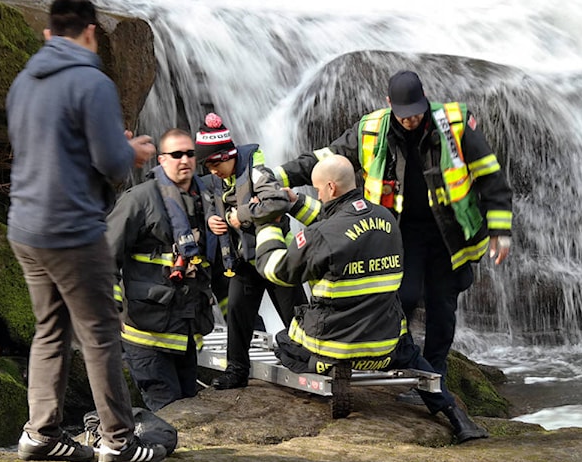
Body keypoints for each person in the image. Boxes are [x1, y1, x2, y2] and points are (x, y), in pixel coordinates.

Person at [275, 70, 513, 405]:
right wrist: (278, 176)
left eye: (417, 112)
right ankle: (405, 366)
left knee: (443, 306)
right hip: (401, 235)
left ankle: (435, 376)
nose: (412, 120)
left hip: (451, 236)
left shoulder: (454, 124)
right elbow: (327, 159)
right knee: (402, 297)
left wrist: (500, 231)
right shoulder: (372, 129)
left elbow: (490, 175)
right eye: (404, 114)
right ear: (389, 105)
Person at [5, 0, 166, 462]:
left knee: (50, 329)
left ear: (48, 34)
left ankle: (41, 433)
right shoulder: (91, 82)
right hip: (71, 230)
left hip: (25, 226)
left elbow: (42, 147)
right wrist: (131, 151)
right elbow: (111, 164)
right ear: (92, 33)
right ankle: (118, 442)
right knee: (99, 335)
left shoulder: (22, 82)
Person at [255, 155, 488, 443]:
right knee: (415, 355)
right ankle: (459, 419)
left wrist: (267, 224)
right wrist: (295, 202)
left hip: (336, 346)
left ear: (330, 188)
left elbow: (276, 271)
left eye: (317, 190)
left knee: (283, 342)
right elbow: (339, 226)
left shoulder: (323, 234)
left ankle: (330, 370)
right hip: (386, 347)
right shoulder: (386, 218)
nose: (316, 195)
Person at [198, 112, 316, 390]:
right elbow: (215, 212)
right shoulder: (218, 180)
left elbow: (276, 203)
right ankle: (236, 371)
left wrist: (240, 216)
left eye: (214, 163)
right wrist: (214, 222)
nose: (211, 170)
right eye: (206, 164)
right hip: (244, 259)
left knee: (297, 317)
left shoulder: (257, 171)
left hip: (277, 257)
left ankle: (312, 363)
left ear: (228, 155)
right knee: (237, 315)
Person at [105, 128, 217, 411]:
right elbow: (104, 256)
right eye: (176, 154)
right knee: (167, 413)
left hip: (187, 334)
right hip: (148, 336)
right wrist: (113, 309)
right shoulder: (139, 200)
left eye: (190, 154)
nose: (184, 160)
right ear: (162, 159)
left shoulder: (205, 199)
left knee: (187, 412)